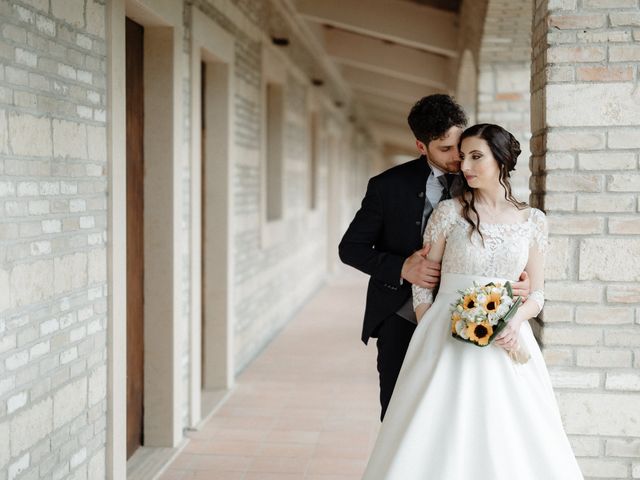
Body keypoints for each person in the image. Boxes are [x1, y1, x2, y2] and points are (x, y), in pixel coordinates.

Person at [362, 123, 583, 479]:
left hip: (507, 339)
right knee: (438, 430)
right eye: (463, 157)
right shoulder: (449, 213)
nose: (465, 166)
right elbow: (424, 282)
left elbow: (537, 293)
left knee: (506, 432)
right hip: (443, 336)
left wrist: (514, 320)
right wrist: (428, 327)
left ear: (501, 160)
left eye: (476, 157)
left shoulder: (533, 221)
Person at [338, 95, 530, 420]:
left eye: (461, 145)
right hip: (401, 317)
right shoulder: (387, 187)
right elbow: (350, 248)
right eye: (445, 149)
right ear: (421, 145)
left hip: (475, 315)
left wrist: (514, 280)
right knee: (400, 412)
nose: (459, 158)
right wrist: (401, 267)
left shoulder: (481, 176)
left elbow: (508, 230)